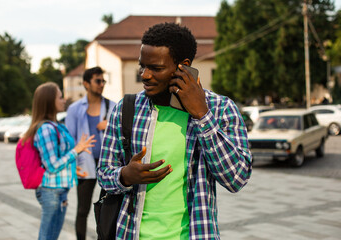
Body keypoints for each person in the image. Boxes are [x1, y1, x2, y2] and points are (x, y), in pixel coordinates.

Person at [97, 22, 252, 239]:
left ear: (183, 66)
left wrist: (202, 116)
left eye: (156, 68)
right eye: (143, 66)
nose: (145, 75)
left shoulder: (220, 109)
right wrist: (124, 176)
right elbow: (104, 173)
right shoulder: (126, 109)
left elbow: (236, 178)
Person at [22, 82, 95, 240]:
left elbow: (59, 157)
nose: (64, 100)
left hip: (59, 190)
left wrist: (72, 168)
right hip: (51, 191)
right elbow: (52, 165)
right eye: (60, 97)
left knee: (52, 236)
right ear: (49, 102)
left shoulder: (55, 126)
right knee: (47, 236)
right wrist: (77, 149)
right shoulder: (46, 129)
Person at [65, 66, 116, 240]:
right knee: (82, 210)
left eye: (103, 81)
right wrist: (73, 166)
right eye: (98, 81)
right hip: (84, 165)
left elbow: (121, 134)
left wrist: (108, 124)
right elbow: (69, 141)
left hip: (108, 165)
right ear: (86, 84)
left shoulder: (113, 106)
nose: (102, 84)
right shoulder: (74, 109)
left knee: (108, 209)